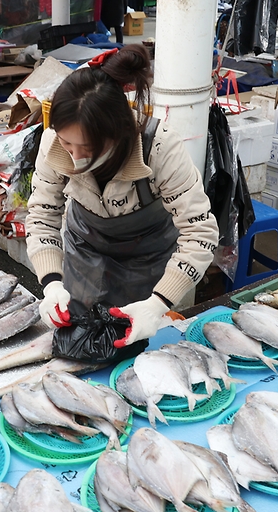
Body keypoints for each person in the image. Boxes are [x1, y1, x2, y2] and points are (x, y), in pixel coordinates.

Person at [26, 45, 219, 348]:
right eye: (67, 144)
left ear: (119, 133)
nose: (75, 158)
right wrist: (51, 283)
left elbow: (200, 232)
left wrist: (158, 304)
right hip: (84, 253)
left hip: (150, 263)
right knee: (81, 343)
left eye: (88, 150)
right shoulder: (54, 142)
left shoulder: (160, 148)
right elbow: (42, 215)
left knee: (147, 349)